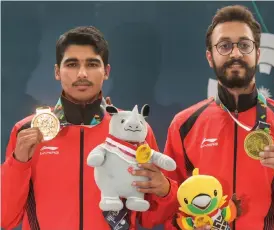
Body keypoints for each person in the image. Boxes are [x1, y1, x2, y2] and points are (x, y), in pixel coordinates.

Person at [1, 26, 177, 230]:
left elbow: (150, 219)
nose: (82, 73)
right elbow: (6, 218)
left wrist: (165, 191)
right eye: (72, 64)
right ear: (57, 72)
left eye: (92, 64)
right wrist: (18, 163)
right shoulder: (27, 131)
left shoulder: (134, 131)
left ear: (106, 71)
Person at [163, 5, 274, 230]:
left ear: (257, 54)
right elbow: (170, 206)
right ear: (210, 56)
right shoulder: (184, 125)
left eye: (244, 45)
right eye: (224, 46)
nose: (235, 53)